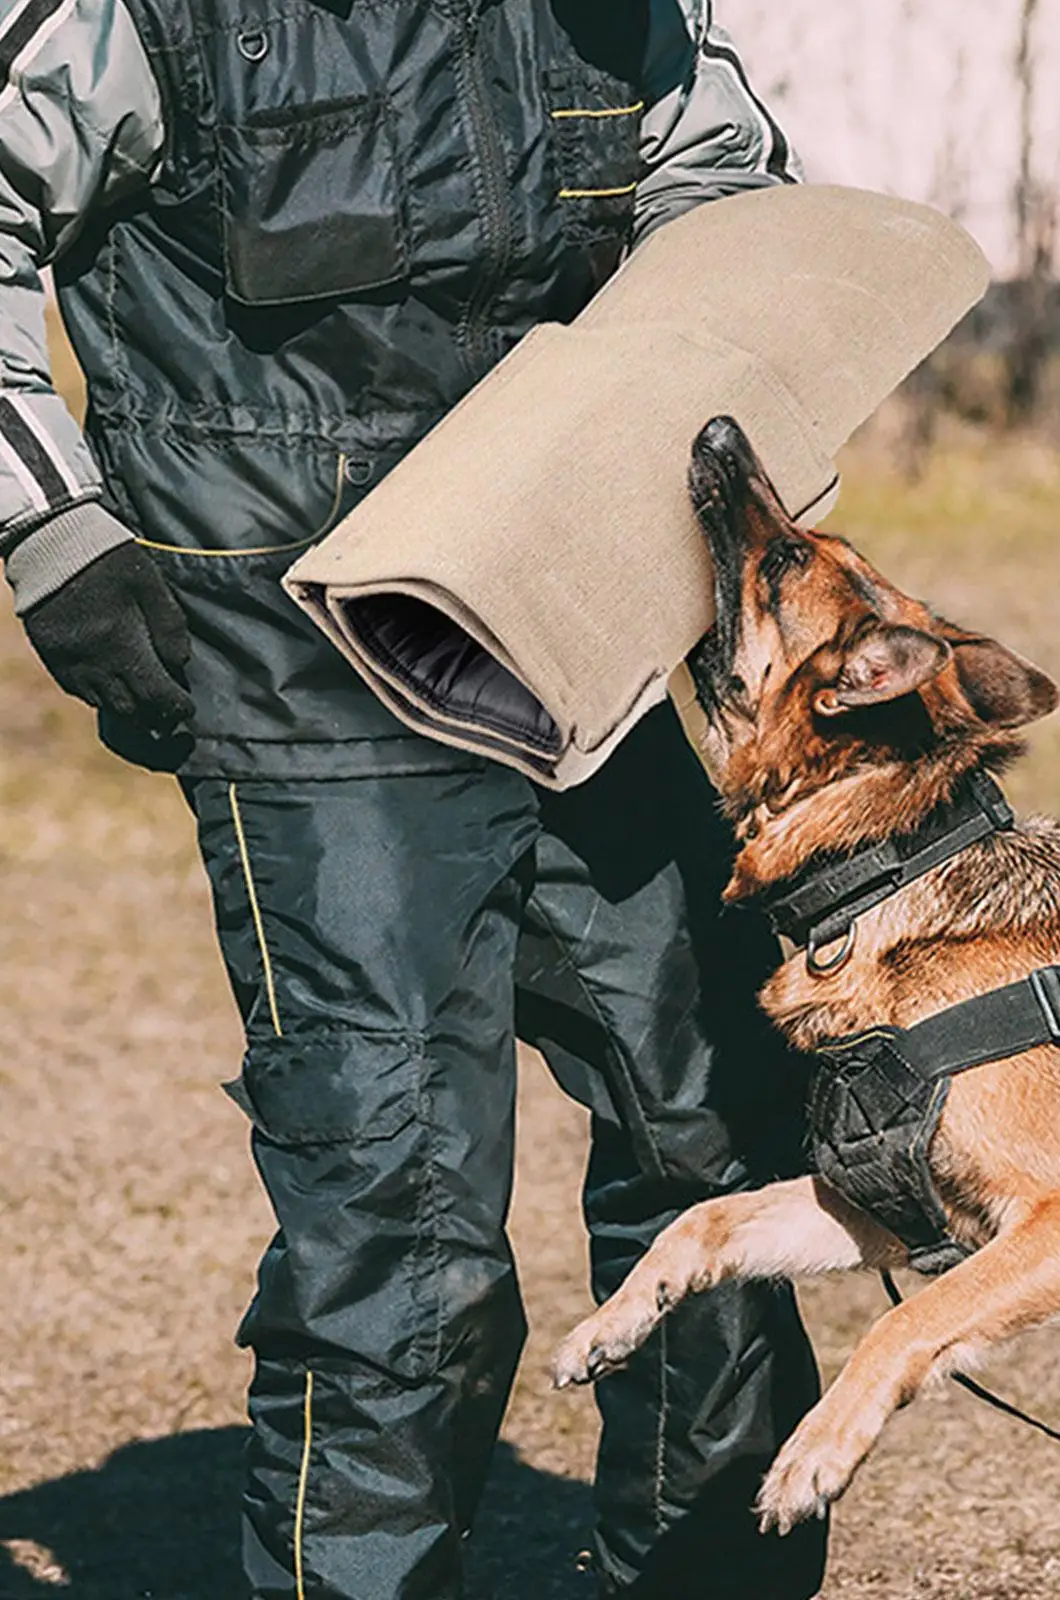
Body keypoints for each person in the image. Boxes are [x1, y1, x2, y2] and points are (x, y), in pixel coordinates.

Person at [0, 2, 827, 1596]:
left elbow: (724, 196)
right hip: (298, 659)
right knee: (405, 1240)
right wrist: (53, 531)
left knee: (720, 1142)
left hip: (571, 628)